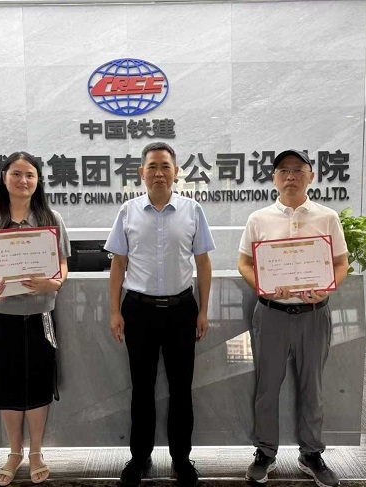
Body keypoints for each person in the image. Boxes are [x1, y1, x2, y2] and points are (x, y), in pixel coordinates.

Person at [104, 142, 215, 487]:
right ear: (141, 172)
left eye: (165, 166)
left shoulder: (193, 210)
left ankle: (182, 459)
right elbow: (118, 264)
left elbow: (203, 262)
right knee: (142, 389)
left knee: (182, 389)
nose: (159, 173)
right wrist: (114, 311)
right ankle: (140, 458)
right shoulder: (128, 211)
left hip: (182, 311)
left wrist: (203, 310)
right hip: (139, 311)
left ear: (176, 171)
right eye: (152, 166)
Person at [237, 149, 348, 487]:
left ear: (311, 176)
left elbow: (341, 263)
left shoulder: (327, 217)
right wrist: (265, 286)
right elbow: (244, 263)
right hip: (271, 314)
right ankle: (265, 452)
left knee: (312, 387)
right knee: (267, 387)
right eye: (283, 170)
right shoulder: (259, 219)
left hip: (314, 315)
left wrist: (327, 287)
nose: (290, 176)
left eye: (298, 169)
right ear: (273, 178)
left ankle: (311, 453)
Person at [0, 151, 70, 486]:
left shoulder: (50, 218)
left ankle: (37, 451)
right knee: (6, 385)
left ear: (38, 180)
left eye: (30, 175)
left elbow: (62, 263)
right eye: (16, 173)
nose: (23, 180)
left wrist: (55, 282)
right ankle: (14, 452)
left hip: (39, 314)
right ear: (4, 177)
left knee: (38, 383)